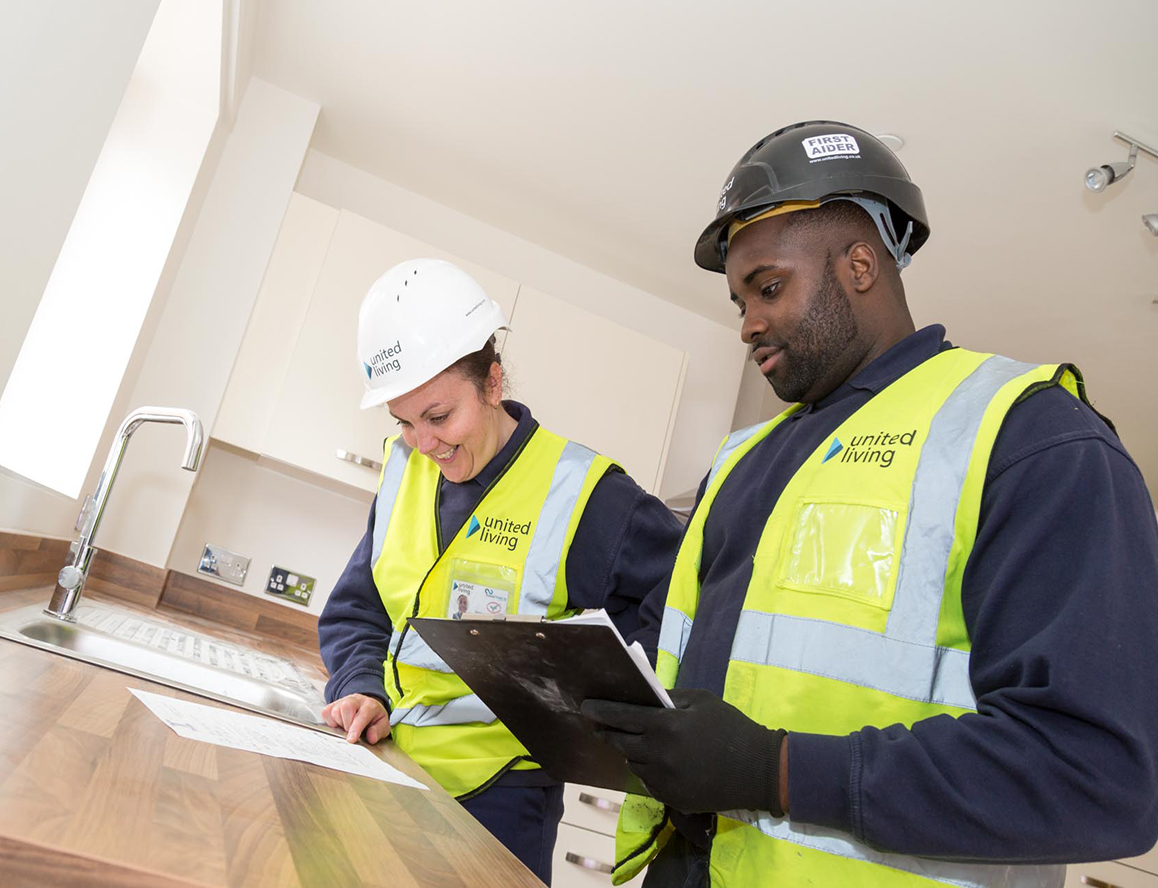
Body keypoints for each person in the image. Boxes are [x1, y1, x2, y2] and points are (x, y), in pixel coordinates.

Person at [581, 121, 1158, 886]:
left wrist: (776, 770)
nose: (747, 322)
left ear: (860, 265)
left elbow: (1094, 773)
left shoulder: (1025, 435)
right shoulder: (743, 461)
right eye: (738, 299)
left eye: (769, 287)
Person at [318, 258, 683, 884]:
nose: (423, 442)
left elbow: (686, 603)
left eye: (438, 417)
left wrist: (593, 701)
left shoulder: (587, 497)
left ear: (493, 382)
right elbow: (363, 608)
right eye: (403, 422)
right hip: (384, 759)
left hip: (499, 803)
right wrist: (360, 686)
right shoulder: (404, 470)